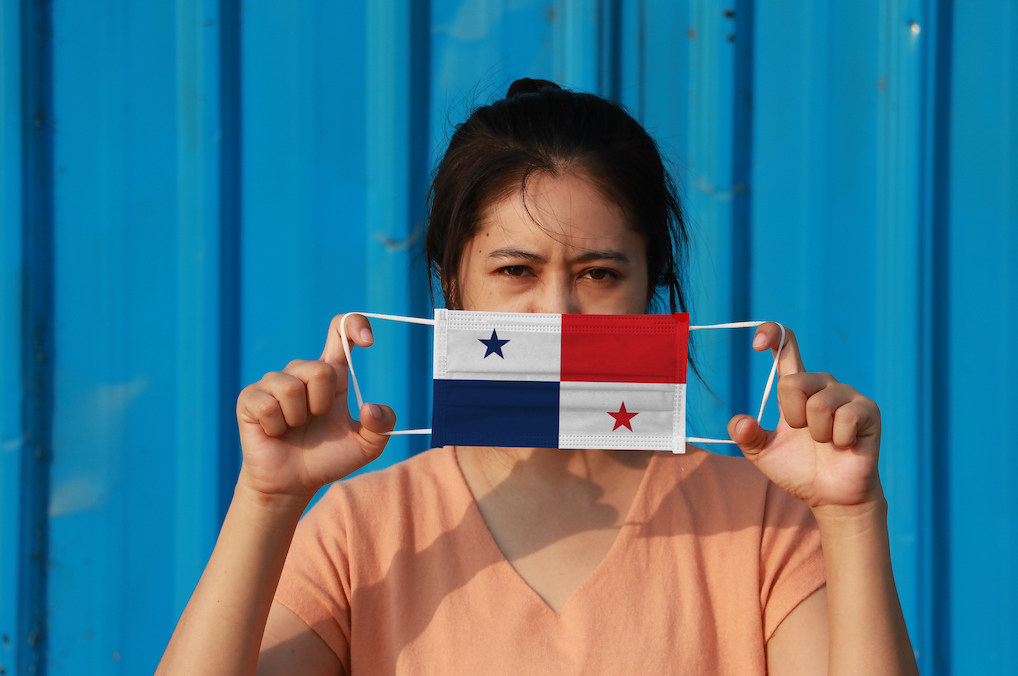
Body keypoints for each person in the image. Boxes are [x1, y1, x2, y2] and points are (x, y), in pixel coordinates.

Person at [156, 79, 919, 675]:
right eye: (515, 270)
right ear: (451, 282)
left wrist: (852, 518)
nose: (556, 311)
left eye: (598, 272)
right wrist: (266, 501)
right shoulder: (364, 530)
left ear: (651, 283)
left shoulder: (761, 525)